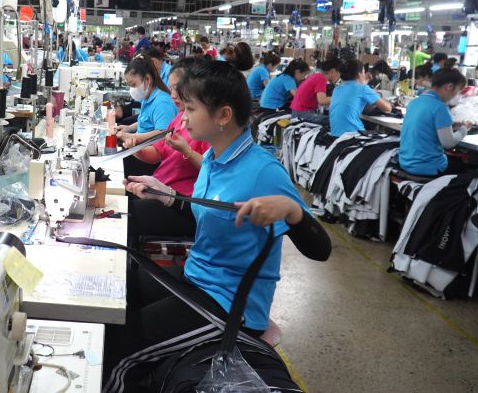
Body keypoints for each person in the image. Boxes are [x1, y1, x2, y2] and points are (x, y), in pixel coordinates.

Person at [109, 60, 331, 392]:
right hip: (197, 278)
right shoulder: (214, 157)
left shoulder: (263, 172)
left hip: (228, 306)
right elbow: (210, 219)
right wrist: (167, 196)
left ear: (223, 115)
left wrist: (291, 211)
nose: (182, 119)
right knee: (118, 290)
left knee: (118, 349)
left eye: (191, 109)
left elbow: (321, 250)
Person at [123, 59, 210, 244]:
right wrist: (137, 151)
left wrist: (186, 150)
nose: (172, 95)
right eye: (171, 88)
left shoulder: (203, 127)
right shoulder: (179, 118)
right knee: (122, 205)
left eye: (177, 88)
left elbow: (212, 171)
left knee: (127, 217)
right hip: (162, 189)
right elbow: (159, 152)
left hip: (181, 202)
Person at [399, 67, 469, 176]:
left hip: (405, 162)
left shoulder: (415, 102)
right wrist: (464, 129)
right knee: (468, 170)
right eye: (458, 91)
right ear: (450, 86)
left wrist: (452, 126)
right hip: (427, 167)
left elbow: (428, 126)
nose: (457, 96)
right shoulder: (440, 107)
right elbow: (448, 143)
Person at [117, 55, 178, 147]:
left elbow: (163, 133)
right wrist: (128, 128)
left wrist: (131, 136)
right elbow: (146, 122)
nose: (132, 89)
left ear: (147, 80)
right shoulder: (147, 98)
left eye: (133, 84)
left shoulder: (162, 103)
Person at [329, 59, 392, 137]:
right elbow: (387, 109)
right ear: (359, 75)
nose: (365, 74)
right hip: (353, 135)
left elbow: (354, 91)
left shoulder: (337, 89)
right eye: (363, 72)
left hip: (335, 135)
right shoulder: (363, 89)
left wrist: (365, 83)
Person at [290, 59, 341, 126]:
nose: (340, 77)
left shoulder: (316, 76)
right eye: (339, 73)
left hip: (298, 111)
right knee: (336, 121)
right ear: (333, 71)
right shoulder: (321, 79)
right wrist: (342, 98)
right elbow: (322, 100)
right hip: (302, 113)